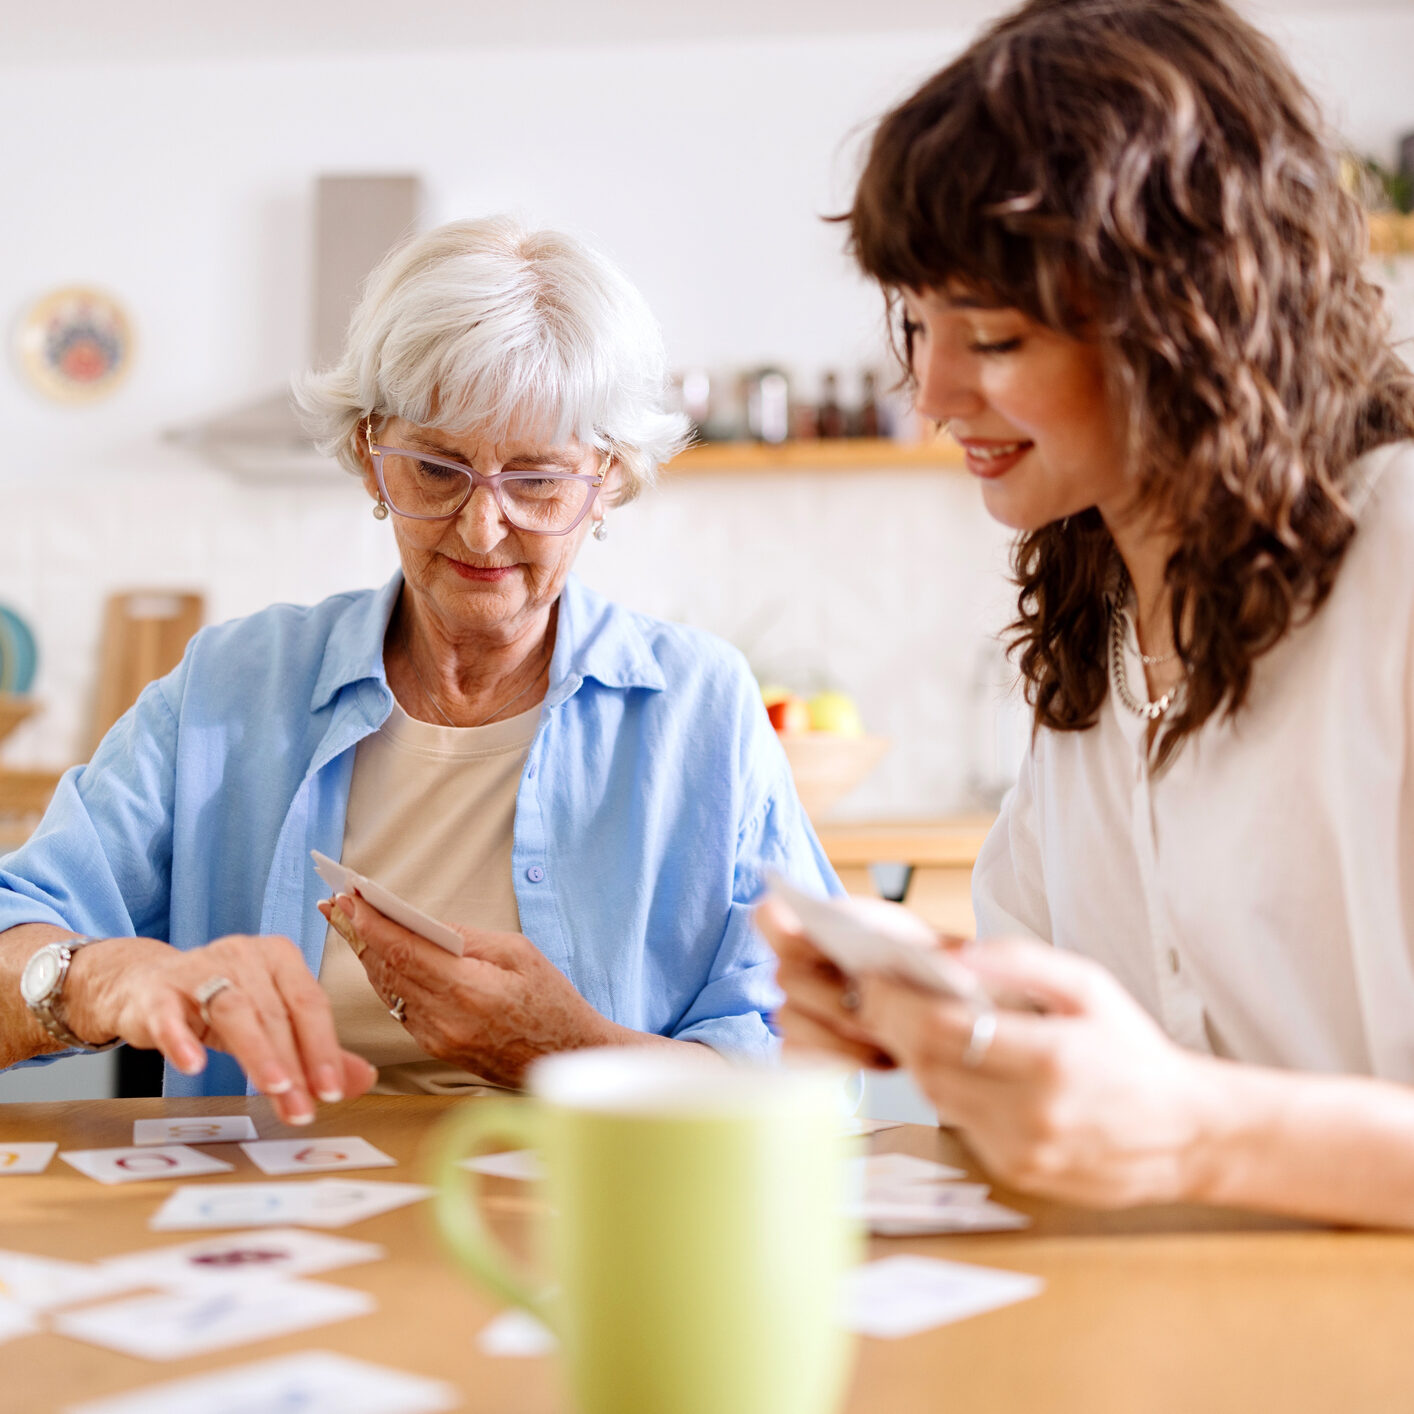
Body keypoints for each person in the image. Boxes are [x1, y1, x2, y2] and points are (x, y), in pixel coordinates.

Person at [759, 0, 1414, 1227]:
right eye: (917, 322)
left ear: (1190, 319)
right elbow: (1073, 1040)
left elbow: (1172, 1117)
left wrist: (1193, 1132)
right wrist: (928, 1030)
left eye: (993, 334)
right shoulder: (1093, 619)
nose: (934, 392)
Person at [0, 216, 836, 1124]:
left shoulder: (697, 709)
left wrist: (571, 1053)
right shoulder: (231, 688)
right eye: (437, 470)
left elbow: (817, 1065)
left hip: (591, 1227)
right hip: (277, 1226)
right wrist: (108, 978)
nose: (483, 530)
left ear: (609, 481)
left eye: (538, 481)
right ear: (369, 456)